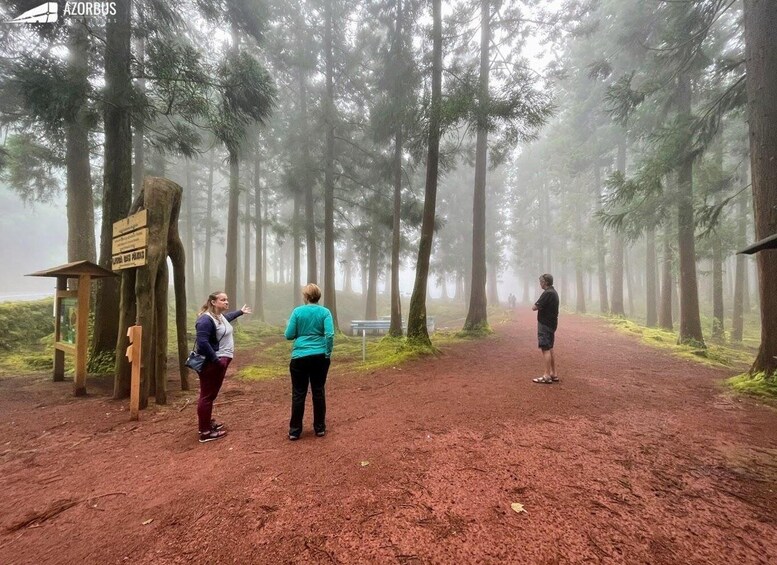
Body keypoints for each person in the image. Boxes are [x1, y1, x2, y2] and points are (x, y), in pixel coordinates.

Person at [194, 291, 252, 443]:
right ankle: (205, 432)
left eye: (227, 299)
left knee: (211, 395)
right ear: (213, 302)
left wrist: (240, 312)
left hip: (220, 360)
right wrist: (216, 360)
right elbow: (202, 343)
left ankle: (206, 423)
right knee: (207, 396)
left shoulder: (218, 317)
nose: (226, 302)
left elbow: (227, 319)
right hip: (213, 362)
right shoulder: (205, 320)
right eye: (223, 300)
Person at [284, 283, 334, 440]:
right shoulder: (325, 312)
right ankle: (319, 428)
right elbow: (330, 334)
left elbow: (288, 335)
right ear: (318, 296)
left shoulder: (298, 312)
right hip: (320, 357)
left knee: (298, 393)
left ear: (305, 296)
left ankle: (294, 431)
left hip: (299, 357)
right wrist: (327, 352)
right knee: (318, 391)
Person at [531, 274, 560, 384]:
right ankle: (553, 373)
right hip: (552, 324)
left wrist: (537, 305)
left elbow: (534, 307)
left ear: (546, 282)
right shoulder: (554, 292)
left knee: (545, 348)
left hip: (545, 324)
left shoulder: (547, 293)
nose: (540, 283)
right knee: (550, 347)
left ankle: (546, 375)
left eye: (541, 281)